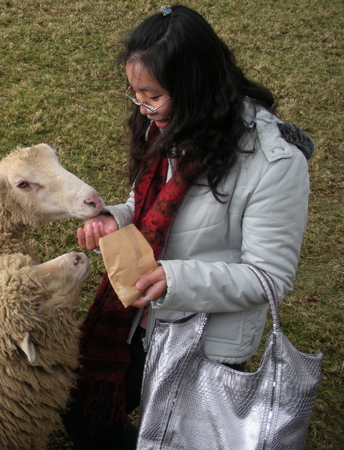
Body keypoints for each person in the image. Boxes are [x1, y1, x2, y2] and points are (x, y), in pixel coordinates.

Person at [62, 4, 314, 449]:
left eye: (152, 95)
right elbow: (146, 206)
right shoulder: (166, 127)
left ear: (194, 85)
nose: (141, 107)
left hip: (204, 339)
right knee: (87, 416)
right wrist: (114, 219)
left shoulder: (275, 162)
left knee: (179, 435)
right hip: (139, 316)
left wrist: (175, 279)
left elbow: (270, 277)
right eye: (134, 93)